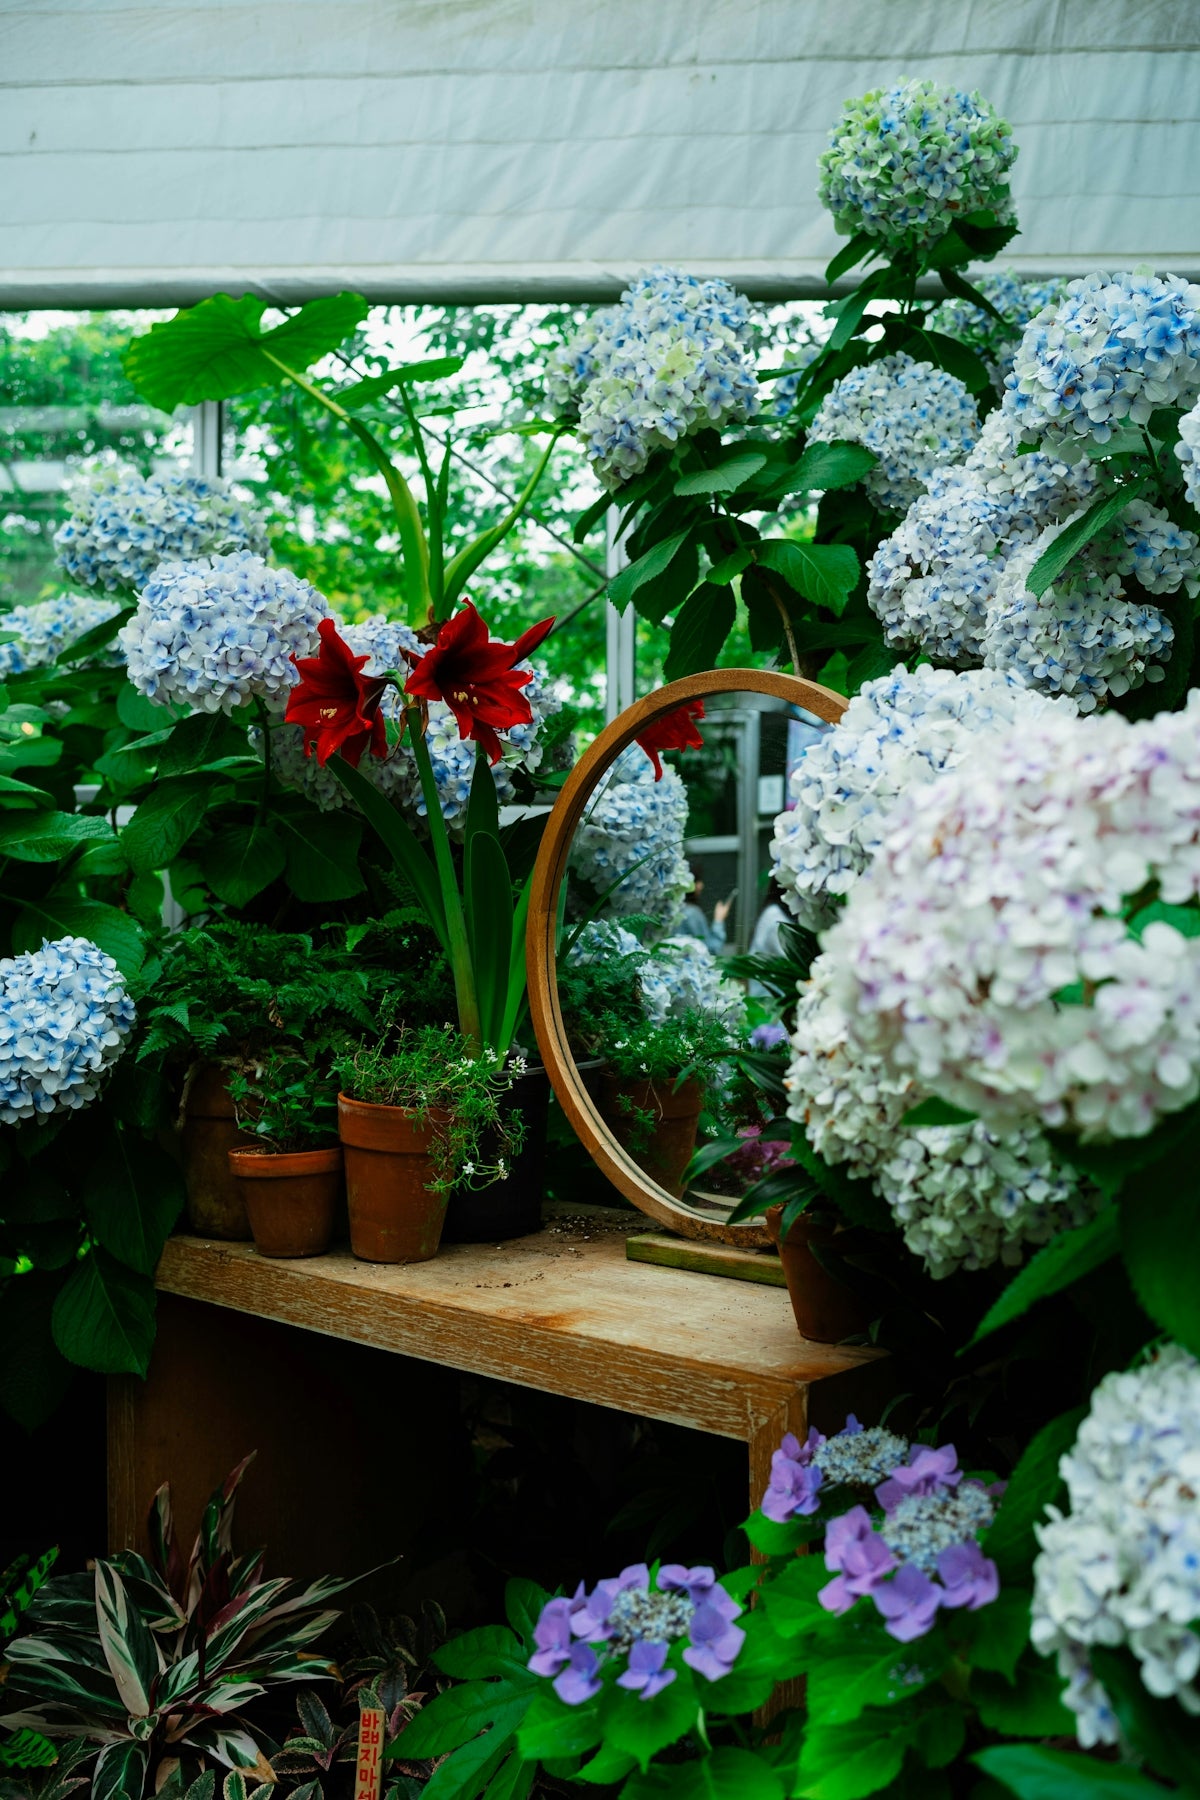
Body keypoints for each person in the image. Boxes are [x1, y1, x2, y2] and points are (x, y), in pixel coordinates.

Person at [678, 867, 731, 953]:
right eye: (697, 881)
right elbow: (711, 949)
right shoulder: (692, 913)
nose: (701, 885)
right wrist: (719, 919)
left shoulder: (674, 909)